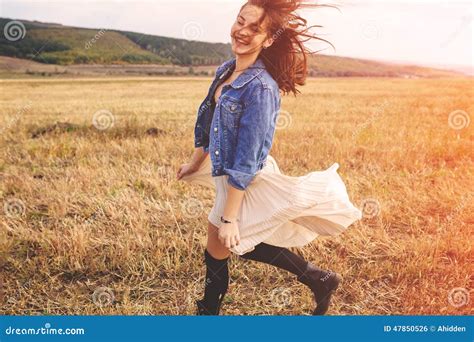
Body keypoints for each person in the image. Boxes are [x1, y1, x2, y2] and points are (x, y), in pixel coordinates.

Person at [177, 0, 362, 315]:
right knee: (224, 243)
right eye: (240, 21)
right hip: (229, 177)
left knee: (228, 240)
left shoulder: (262, 89)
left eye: (255, 28)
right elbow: (207, 118)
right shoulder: (227, 70)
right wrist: (195, 162)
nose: (242, 32)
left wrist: (231, 217)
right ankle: (320, 279)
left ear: (269, 39)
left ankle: (208, 311)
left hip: (246, 180)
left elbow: (248, 158)